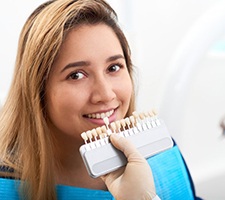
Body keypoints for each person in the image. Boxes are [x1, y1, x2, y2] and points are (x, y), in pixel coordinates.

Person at [0, 0, 201, 200]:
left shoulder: (163, 154)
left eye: (113, 68)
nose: (105, 95)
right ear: (37, 89)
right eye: (76, 75)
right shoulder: (5, 185)